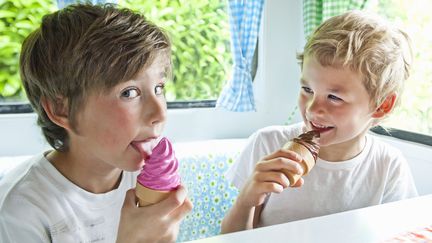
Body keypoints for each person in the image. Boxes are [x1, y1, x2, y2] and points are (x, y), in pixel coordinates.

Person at [0, 3, 192, 242]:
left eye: (159, 88)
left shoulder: (142, 180)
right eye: (129, 93)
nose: (160, 113)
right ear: (63, 110)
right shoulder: (22, 209)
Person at [221, 10, 418, 233]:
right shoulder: (267, 145)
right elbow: (230, 237)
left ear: (381, 105)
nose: (313, 108)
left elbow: (400, 235)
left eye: (334, 97)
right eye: (307, 89)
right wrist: (247, 200)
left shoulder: (388, 166)